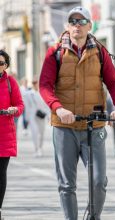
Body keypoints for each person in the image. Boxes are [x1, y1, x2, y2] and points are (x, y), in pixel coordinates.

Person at [39, 6, 115, 220]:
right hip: (64, 127)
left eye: (81, 21)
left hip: (93, 127)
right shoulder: (55, 51)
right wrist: (58, 108)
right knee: (67, 184)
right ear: (67, 26)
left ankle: (93, 217)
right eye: (72, 21)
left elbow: (113, 82)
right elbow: (45, 86)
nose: (76, 25)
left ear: (90, 25)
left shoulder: (100, 51)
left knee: (99, 181)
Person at [0, 50, 24, 220]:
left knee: (0, 175)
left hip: (4, 136)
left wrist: (15, 109)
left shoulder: (11, 83)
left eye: (1, 63)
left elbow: (20, 104)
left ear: (6, 66)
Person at [24, 76, 49, 157]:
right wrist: (26, 118)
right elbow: (27, 106)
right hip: (32, 116)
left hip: (42, 115)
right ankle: (36, 149)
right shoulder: (28, 93)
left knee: (41, 133)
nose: (35, 84)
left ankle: (40, 147)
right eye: (33, 83)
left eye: (36, 82)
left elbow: (47, 105)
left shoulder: (43, 92)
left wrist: (48, 115)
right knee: (35, 132)